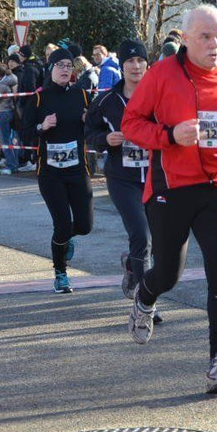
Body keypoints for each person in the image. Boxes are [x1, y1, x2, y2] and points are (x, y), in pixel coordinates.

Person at [121, 4, 217, 395]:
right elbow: (131, 124)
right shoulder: (163, 74)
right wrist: (170, 135)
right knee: (169, 273)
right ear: (185, 38)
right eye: (206, 36)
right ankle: (145, 294)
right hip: (171, 189)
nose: (215, 44)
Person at [85, 38, 162, 324]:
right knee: (141, 235)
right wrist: (105, 139)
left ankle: (133, 264)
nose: (136, 65)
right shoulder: (106, 101)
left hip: (156, 177)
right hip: (123, 179)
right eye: (130, 61)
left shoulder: (160, 96)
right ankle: (146, 302)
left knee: (158, 241)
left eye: (140, 60)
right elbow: (89, 132)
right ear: (122, 65)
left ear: (147, 64)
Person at [23, 48, 94, 293]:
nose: (65, 69)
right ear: (50, 68)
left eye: (68, 65)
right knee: (62, 225)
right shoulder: (40, 98)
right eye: (60, 65)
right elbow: (24, 132)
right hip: (50, 173)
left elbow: (95, 130)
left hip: (77, 170)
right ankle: (60, 272)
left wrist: (89, 122)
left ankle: (65, 240)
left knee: (84, 225)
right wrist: (42, 127)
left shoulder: (83, 96)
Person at [0, 63, 20, 175]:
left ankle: (11, 165)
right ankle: (15, 163)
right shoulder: (11, 80)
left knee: (5, 140)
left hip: (2, 113)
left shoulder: (1, 85)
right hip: (11, 111)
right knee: (13, 139)